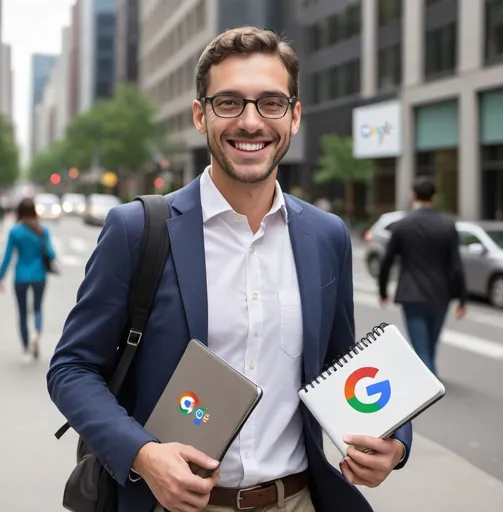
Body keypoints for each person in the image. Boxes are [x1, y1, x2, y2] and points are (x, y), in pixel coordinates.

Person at [47, 27, 411, 512]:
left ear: (295, 116)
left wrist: (395, 439)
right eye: (229, 103)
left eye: (271, 103)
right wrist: (144, 455)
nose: (251, 121)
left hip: (298, 499)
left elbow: (341, 362)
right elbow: (72, 368)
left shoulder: (326, 235)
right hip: (172, 504)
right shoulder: (137, 229)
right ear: (201, 115)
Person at [378, 177, 467, 376]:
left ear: (413, 195)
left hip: (412, 294)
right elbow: (456, 265)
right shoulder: (447, 225)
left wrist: (383, 291)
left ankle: (428, 385)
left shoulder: (402, 225)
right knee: (430, 345)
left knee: (421, 348)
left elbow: (387, 262)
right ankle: (430, 376)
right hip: (441, 295)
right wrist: (462, 299)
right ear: (433, 197)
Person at [0, 197, 56, 362]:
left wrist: (0, 277)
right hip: (39, 275)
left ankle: (25, 348)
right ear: (34, 211)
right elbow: (51, 254)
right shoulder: (42, 230)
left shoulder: (15, 232)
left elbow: (8, 257)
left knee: (23, 312)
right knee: (38, 307)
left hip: (21, 277)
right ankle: (37, 334)